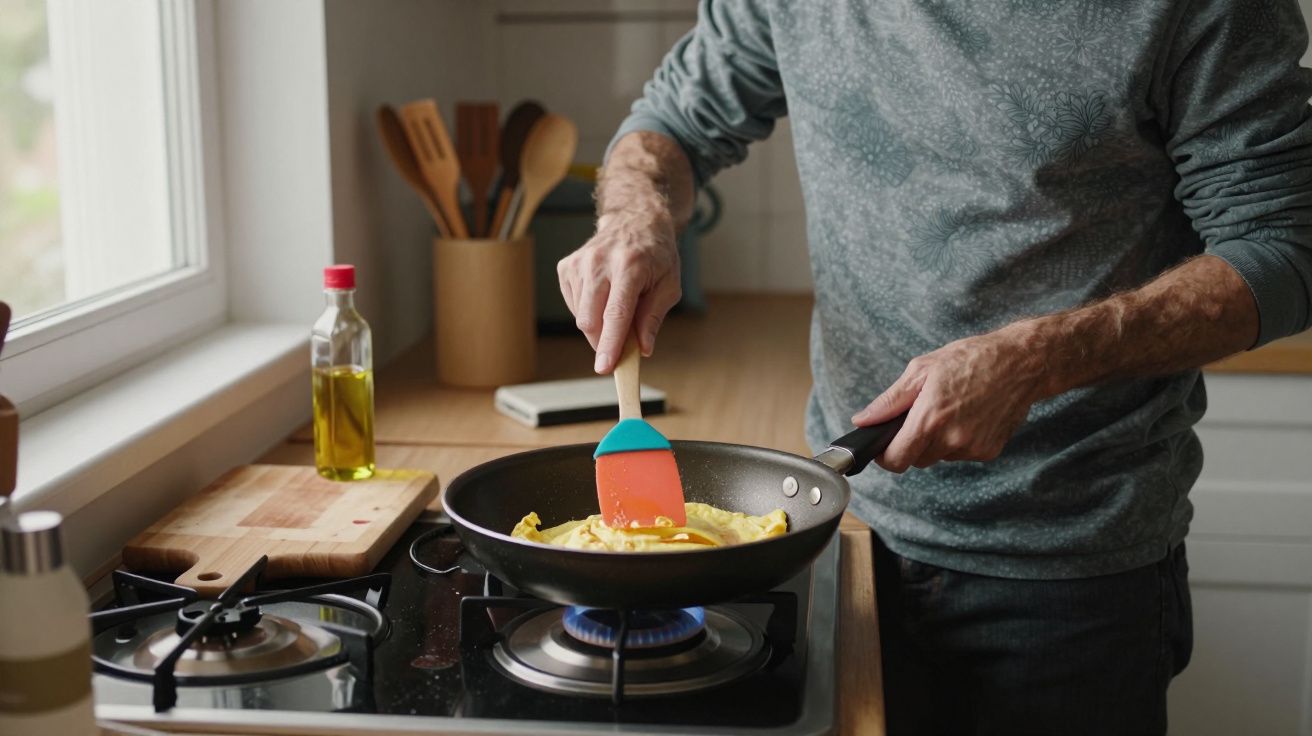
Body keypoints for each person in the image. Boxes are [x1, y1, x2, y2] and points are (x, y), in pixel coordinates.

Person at [555, 1, 1312, 733]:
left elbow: (1282, 247)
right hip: (845, 529)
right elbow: (673, 126)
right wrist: (635, 212)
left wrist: (1035, 358)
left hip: (1068, 577)